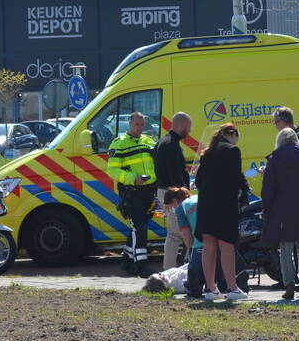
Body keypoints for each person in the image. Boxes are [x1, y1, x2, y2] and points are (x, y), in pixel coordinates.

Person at [194, 123, 249, 301]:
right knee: (226, 247)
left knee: (208, 247)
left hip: (205, 204)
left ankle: (211, 289)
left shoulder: (207, 153)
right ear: (232, 135)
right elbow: (236, 178)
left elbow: (198, 181)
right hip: (224, 205)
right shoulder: (233, 151)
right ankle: (232, 288)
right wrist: (243, 190)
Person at [261, 127, 299, 300]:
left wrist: (267, 207)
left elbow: (269, 187)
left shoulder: (275, 158)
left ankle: (289, 286)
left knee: (285, 248)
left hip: (283, 206)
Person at [107, 112, 158, 277]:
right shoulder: (119, 143)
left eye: (142, 125)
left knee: (137, 227)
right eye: (136, 124)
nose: (139, 128)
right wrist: (133, 178)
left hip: (149, 191)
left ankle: (126, 261)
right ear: (129, 124)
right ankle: (141, 265)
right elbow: (112, 170)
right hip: (132, 192)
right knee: (140, 228)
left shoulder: (148, 141)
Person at [175, 188, 247, 298]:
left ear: (174, 201)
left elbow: (188, 241)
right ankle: (231, 287)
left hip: (202, 251)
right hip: (226, 251)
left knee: (193, 286)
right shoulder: (216, 197)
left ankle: (211, 289)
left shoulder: (181, 207)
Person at [154, 113, 193, 269]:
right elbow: (174, 173)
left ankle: (173, 269)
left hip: (165, 191)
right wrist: (182, 194)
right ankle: (169, 271)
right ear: (182, 126)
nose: (189, 131)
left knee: (176, 233)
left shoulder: (163, 141)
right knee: (176, 234)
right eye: (188, 128)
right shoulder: (172, 145)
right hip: (173, 194)